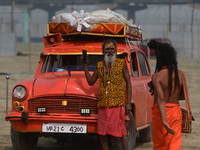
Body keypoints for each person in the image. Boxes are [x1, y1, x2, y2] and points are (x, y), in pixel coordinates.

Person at [81, 39, 132, 150]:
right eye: (107, 49)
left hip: (118, 103)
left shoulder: (121, 63)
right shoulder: (99, 65)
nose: (110, 51)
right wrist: (85, 66)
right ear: (103, 52)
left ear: (115, 50)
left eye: (112, 49)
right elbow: (90, 82)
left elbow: (128, 81)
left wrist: (128, 103)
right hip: (104, 104)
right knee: (102, 132)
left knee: (122, 131)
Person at [147, 40, 183, 150]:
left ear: (160, 59)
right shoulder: (180, 74)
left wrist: (164, 121)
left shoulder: (157, 76)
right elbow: (182, 96)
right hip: (176, 112)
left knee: (160, 145)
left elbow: (161, 99)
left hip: (160, 113)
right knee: (175, 145)